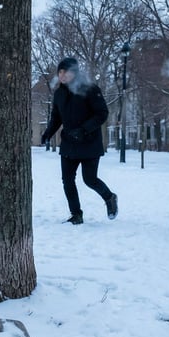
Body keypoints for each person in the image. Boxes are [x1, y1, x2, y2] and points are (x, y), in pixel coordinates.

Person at [41, 57, 118, 225]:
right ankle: (76, 214)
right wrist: (48, 133)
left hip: (89, 142)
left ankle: (110, 198)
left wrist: (84, 129)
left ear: (74, 72)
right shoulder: (59, 93)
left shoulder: (90, 89)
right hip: (69, 143)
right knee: (67, 180)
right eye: (59, 72)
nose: (62, 75)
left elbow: (102, 113)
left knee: (89, 179)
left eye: (65, 72)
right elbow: (56, 117)